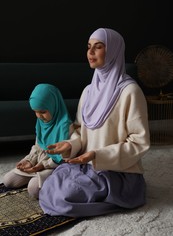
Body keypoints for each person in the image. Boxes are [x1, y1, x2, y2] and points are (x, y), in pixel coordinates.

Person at [39, 28, 150, 217]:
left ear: (113, 51)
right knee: (46, 186)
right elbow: (81, 131)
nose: (90, 52)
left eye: (98, 47)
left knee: (63, 195)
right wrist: (70, 145)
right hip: (86, 164)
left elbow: (139, 143)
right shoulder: (88, 91)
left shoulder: (130, 92)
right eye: (89, 47)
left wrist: (96, 155)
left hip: (117, 171)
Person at [3, 83, 72, 198]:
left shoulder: (65, 127)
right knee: (8, 180)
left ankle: (46, 181)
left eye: (43, 112)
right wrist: (29, 161)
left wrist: (42, 165)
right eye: (35, 111)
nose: (39, 116)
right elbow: (38, 146)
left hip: (54, 167)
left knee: (33, 189)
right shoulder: (41, 123)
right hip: (37, 165)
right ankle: (37, 177)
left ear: (53, 105)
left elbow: (62, 158)